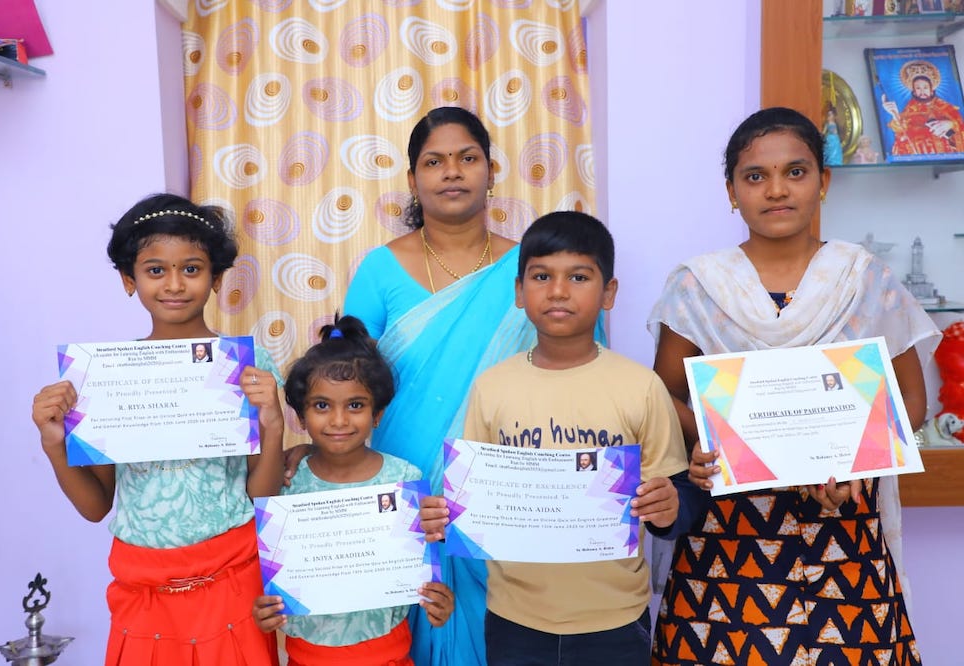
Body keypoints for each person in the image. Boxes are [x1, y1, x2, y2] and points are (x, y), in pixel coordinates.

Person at [649, 107, 940, 665]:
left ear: (823, 182)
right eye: (755, 176)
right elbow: (664, 395)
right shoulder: (698, 285)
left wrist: (850, 466)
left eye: (796, 172)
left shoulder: (863, 278)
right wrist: (720, 443)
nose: (776, 190)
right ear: (731, 191)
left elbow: (911, 402)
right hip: (728, 544)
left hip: (843, 526)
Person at [322, 107, 604, 666]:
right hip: (403, 489)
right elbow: (347, 378)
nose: (452, 172)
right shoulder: (380, 269)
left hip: (512, 488)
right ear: (412, 179)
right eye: (434, 161)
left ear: (491, 170)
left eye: (467, 158)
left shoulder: (532, 266)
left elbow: (577, 363)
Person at [420, 211, 690, 665]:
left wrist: (669, 507)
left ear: (609, 293)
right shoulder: (492, 387)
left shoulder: (640, 387)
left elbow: (678, 498)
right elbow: (474, 501)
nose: (559, 291)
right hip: (513, 618)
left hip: (615, 620)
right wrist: (445, 514)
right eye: (541, 276)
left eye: (579, 276)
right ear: (519, 292)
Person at [31, 193, 284, 666]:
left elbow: (262, 493)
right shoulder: (106, 377)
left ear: (216, 279)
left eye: (191, 269)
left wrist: (272, 427)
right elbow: (95, 506)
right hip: (143, 586)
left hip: (232, 578)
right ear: (129, 280)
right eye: (154, 270)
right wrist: (53, 444)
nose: (175, 284)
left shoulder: (247, 368)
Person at [253, 315, 454, 666]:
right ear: (300, 417)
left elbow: (423, 573)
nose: (339, 420)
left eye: (355, 405)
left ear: (377, 414)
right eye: (321, 406)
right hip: (306, 658)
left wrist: (439, 601)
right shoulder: (287, 482)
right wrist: (264, 609)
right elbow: (270, 583)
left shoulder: (404, 479)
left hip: (389, 656)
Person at [882, 62, 964, 156]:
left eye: (925, 88)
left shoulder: (946, 107)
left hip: (948, 155)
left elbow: (960, 125)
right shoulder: (909, 110)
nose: (922, 92)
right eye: (918, 88)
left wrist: (951, 124)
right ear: (914, 92)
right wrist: (895, 114)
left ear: (931, 90)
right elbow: (901, 133)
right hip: (923, 154)